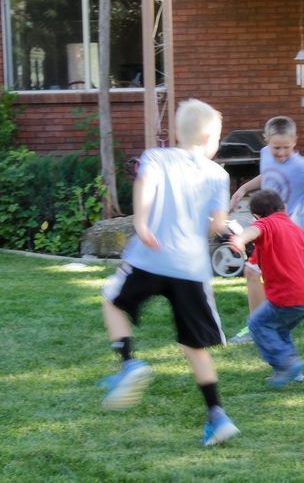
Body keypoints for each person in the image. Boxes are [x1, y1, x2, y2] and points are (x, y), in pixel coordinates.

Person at [99, 98, 239, 447]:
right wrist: (217, 228)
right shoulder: (217, 174)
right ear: (208, 137)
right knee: (194, 347)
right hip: (191, 269)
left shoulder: (157, 157)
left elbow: (145, 184)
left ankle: (129, 363)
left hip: (151, 257)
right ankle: (217, 415)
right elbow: (217, 225)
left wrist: (143, 222)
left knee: (112, 300)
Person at [226, 116, 304, 344]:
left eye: (287, 147)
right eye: (277, 148)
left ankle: (256, 328)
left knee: (253, 272)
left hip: (287, 231)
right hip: (269, 229)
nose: (281, 153)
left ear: (295, 141)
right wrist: (243, 188)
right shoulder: (266, 154)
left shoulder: (302, 167)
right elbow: (267, 175)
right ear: (267, 142)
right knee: (271, 277)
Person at [228, 189, 304, 387]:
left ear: (256, 216)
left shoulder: (266, 223)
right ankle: (294, 373)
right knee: (279, 330)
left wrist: (241, 239)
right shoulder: (296, 229)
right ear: (284, 208)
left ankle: (287, 363)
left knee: (257, 324)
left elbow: (255, 230)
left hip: (287, 297)